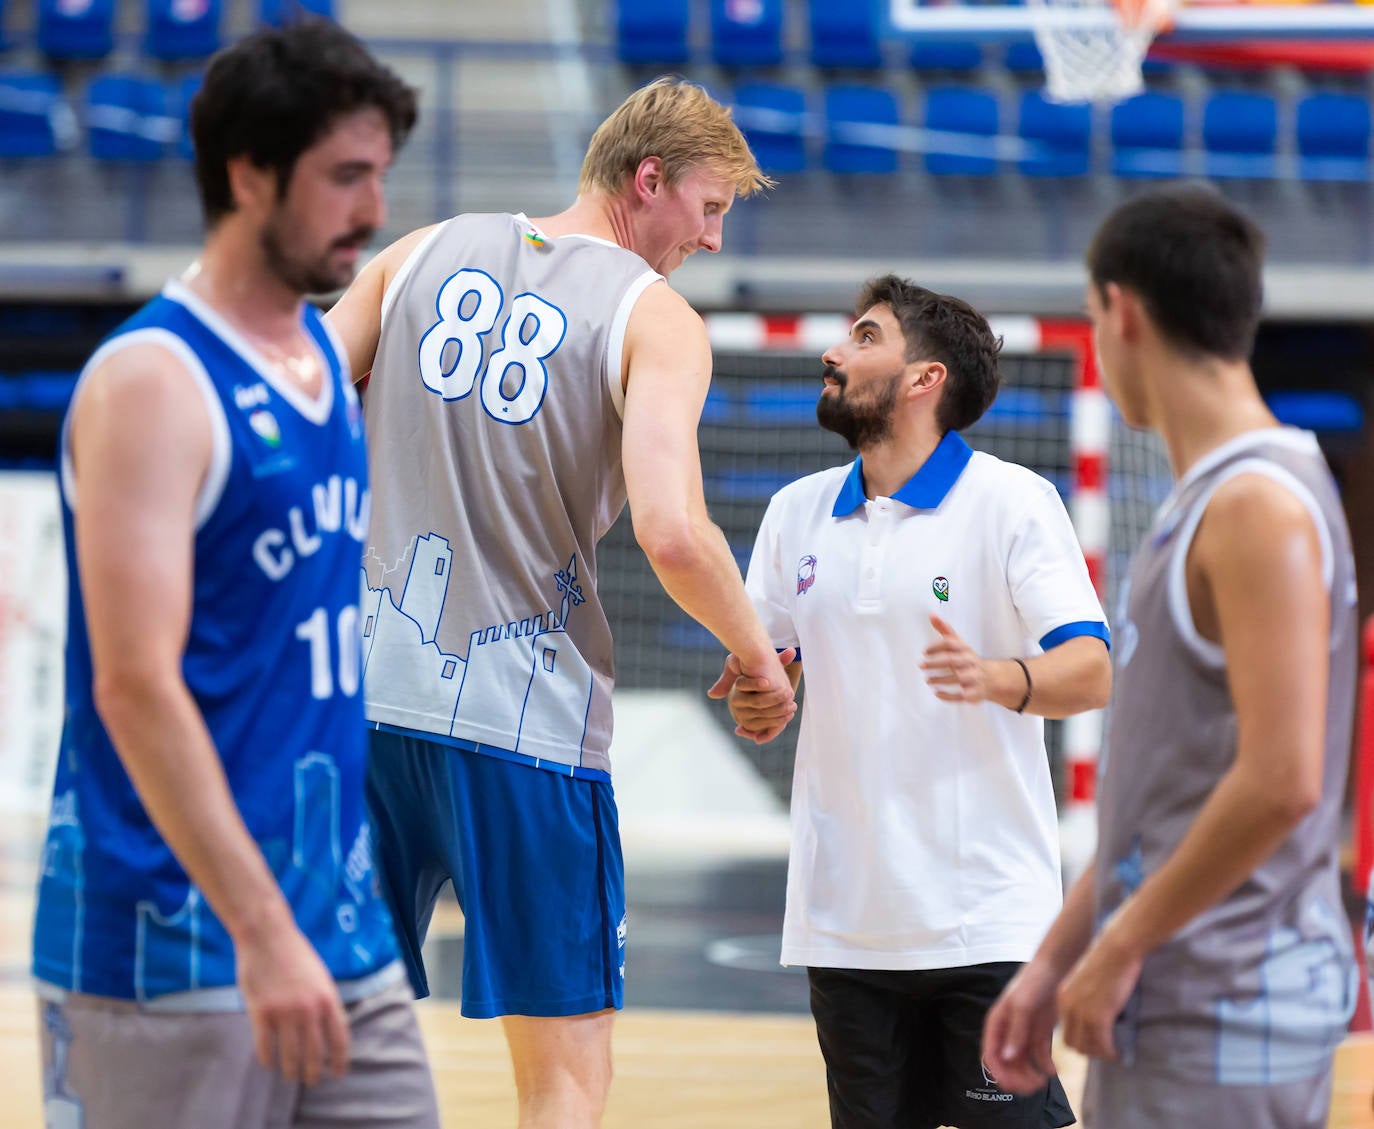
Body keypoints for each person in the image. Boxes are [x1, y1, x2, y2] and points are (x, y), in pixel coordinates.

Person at [323, 77, 794, 1128]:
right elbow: (674, 534)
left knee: (338, 1051)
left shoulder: (415, 251)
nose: (712, 240)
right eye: (710, 209)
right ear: (651, 179)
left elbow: (294, 401)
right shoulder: (655, 319)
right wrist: (758, 657)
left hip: (362, 705)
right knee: (565, 1081)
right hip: (523, 720)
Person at [29, 22, 439, 1129]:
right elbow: (135, 687)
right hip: (176, 942)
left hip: (338, 929)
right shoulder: (153, 383)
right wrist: (261, 932)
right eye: (345, 177)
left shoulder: (317, 359)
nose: (372, 207)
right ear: (250, 174)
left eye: (381, 175)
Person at [982, 186, 1359, 1129]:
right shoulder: (1211, 500)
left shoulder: (1256, 507)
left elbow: (1283, 781)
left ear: (1123, 311)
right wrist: (1056, 958)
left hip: (1223, 996)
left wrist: (1117, 949)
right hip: (1177, 991)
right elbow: (1160, 800)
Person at [710, 275, 1113, 1129]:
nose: (832, 351)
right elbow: (769, 682)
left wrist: (997, 676)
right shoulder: (792, 515)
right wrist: (760, 698)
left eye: (863, 337)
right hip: (844, 924)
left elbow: (1091, 668)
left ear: (924, 378)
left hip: (988, 922)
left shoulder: (1012, 502)